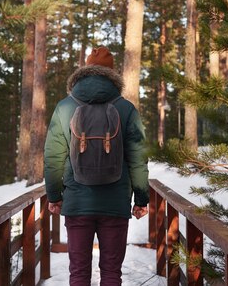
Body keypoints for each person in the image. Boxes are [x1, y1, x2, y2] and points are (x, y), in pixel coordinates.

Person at [44, 46, 149, 286]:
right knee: (111, 272)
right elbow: (138, 158)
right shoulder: (126, 109)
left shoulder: (64, 107)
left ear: (84, 71)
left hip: (77, 203)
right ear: (113, 76)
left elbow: (53, 156)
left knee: (79, 273)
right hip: (115, 204)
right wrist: (141, 199)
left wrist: (54, 196)